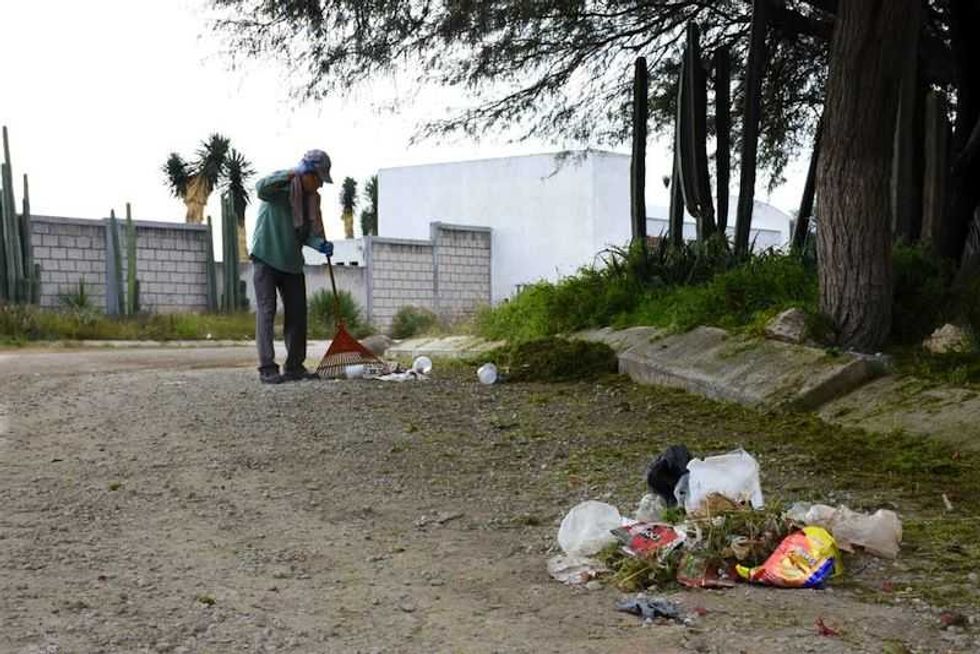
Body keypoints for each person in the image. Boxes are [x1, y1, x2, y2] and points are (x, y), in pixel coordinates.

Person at [250, 150, 335, 384]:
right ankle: (267, 367)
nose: (320, 185)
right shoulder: (279, 189)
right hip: (266, 257)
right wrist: (290, 173)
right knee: (267, 311)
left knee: (298, 314)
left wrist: (320, 244)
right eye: (318, 178)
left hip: (292, 262)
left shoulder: (312, 200)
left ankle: (295, 366)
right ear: (306, 173)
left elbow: (307, 234)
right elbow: (260, 188)